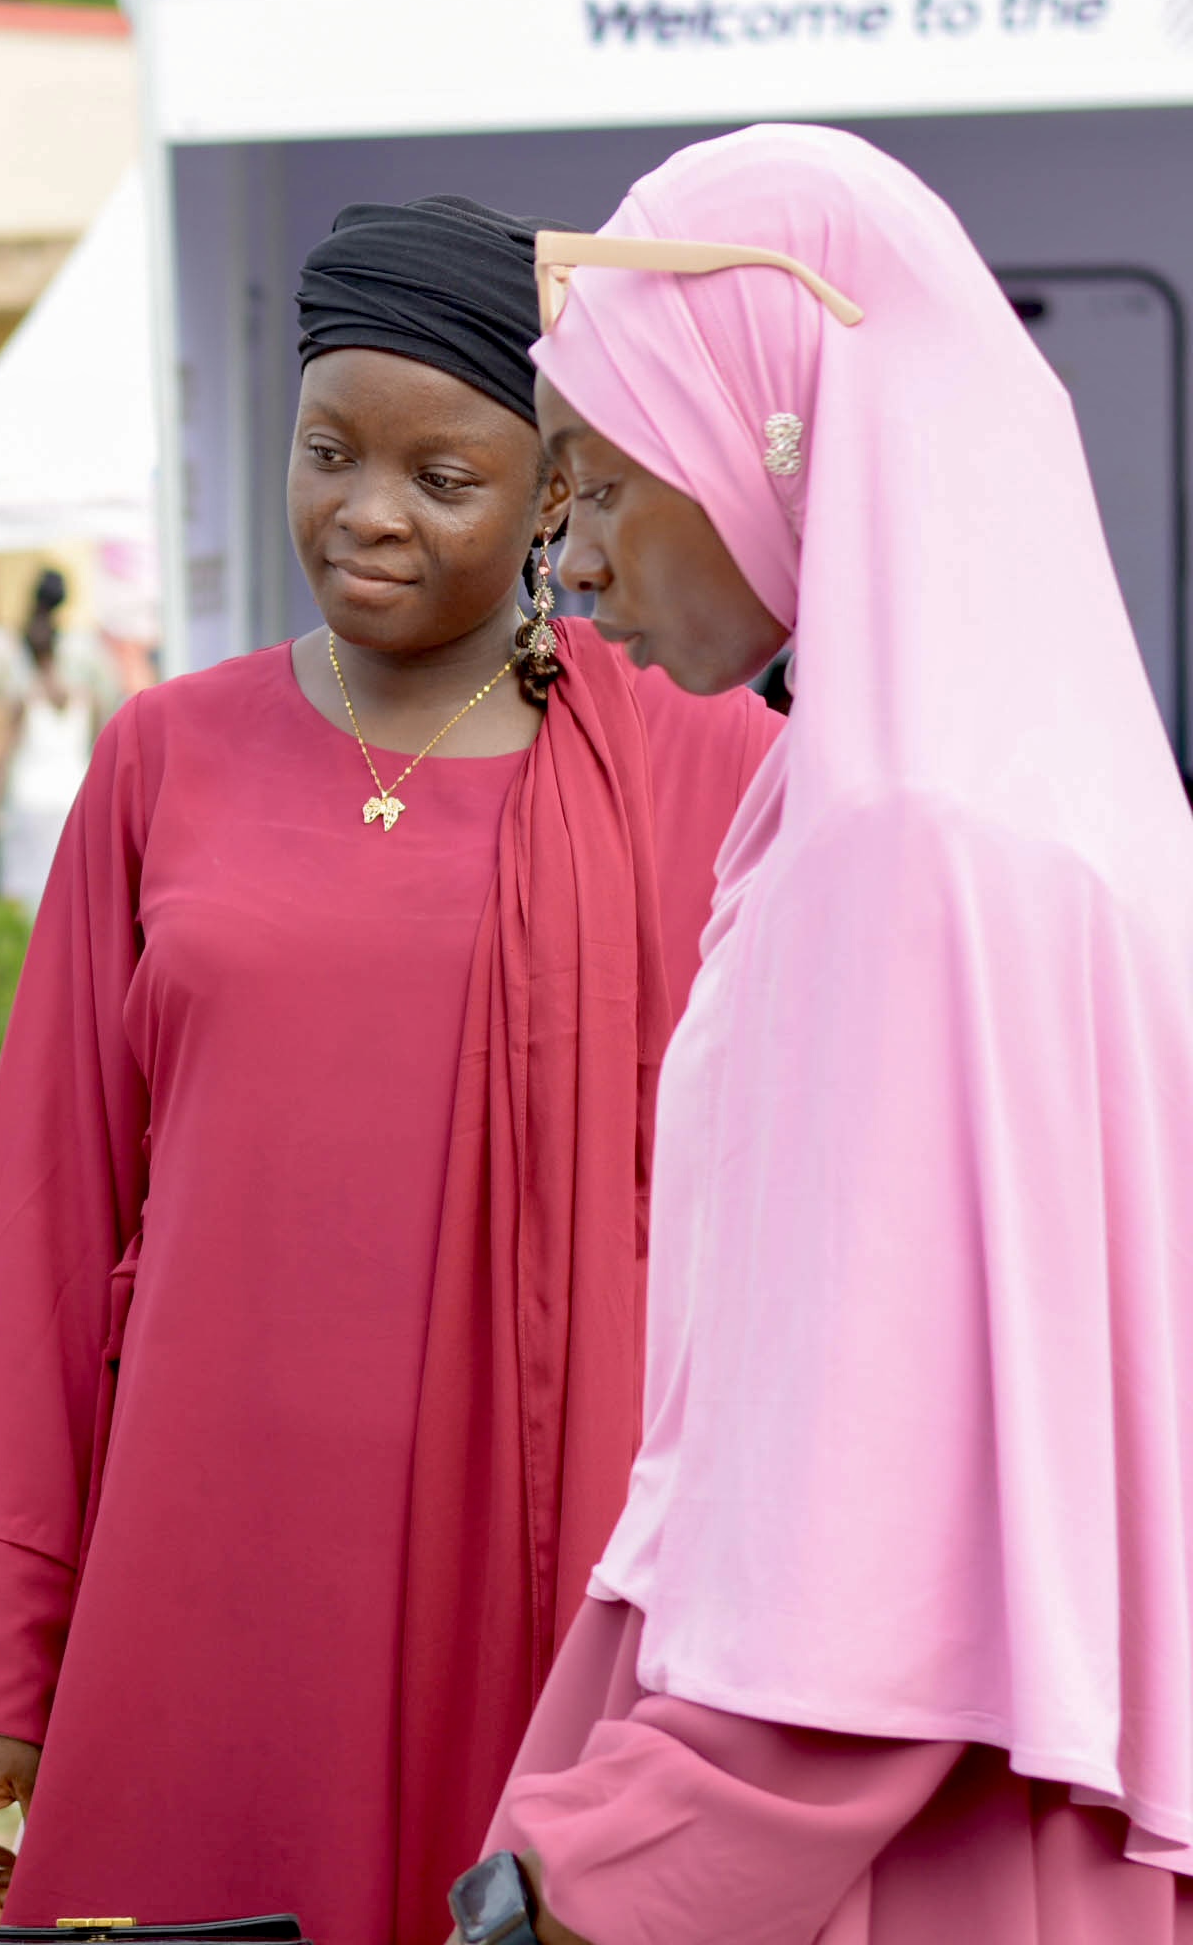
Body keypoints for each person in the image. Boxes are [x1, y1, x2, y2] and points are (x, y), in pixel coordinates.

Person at [0, 198, 785, 1942]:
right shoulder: (163, 754)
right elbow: (36, 1229)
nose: (367, 514)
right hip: (204, 1559)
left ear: (555, 489)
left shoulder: (708, 766)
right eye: (326, 451)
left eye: (442, 476)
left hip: (552, 1593)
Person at [462, 126, 1193, 1944]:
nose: (573, 566)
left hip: (887, 1846)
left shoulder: (906, 852)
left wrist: (603, 1865)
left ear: (772, 437)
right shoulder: (1035, 801)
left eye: (604, 483)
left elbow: (888, 1540)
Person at [0, 570, 113, 909]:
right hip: (72, 793)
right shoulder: (86, 693)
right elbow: (99, 746)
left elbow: (4, 753)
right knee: (72, 891)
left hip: (29, 799)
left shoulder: (24, 697)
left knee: (27, 894)